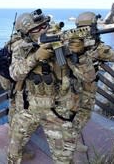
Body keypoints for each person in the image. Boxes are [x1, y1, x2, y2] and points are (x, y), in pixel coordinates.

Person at [8, 9, 83, 163]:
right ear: (26, 34)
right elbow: (15, 74)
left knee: (64, 158)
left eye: (44, 26)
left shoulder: (63, 44)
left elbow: (87, 76)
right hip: (29, 108)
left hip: (57, 110)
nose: (43, 30)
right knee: (14, 151)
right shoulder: (21, 48)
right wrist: (35, 57)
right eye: (36, 29)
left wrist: (79, 54)